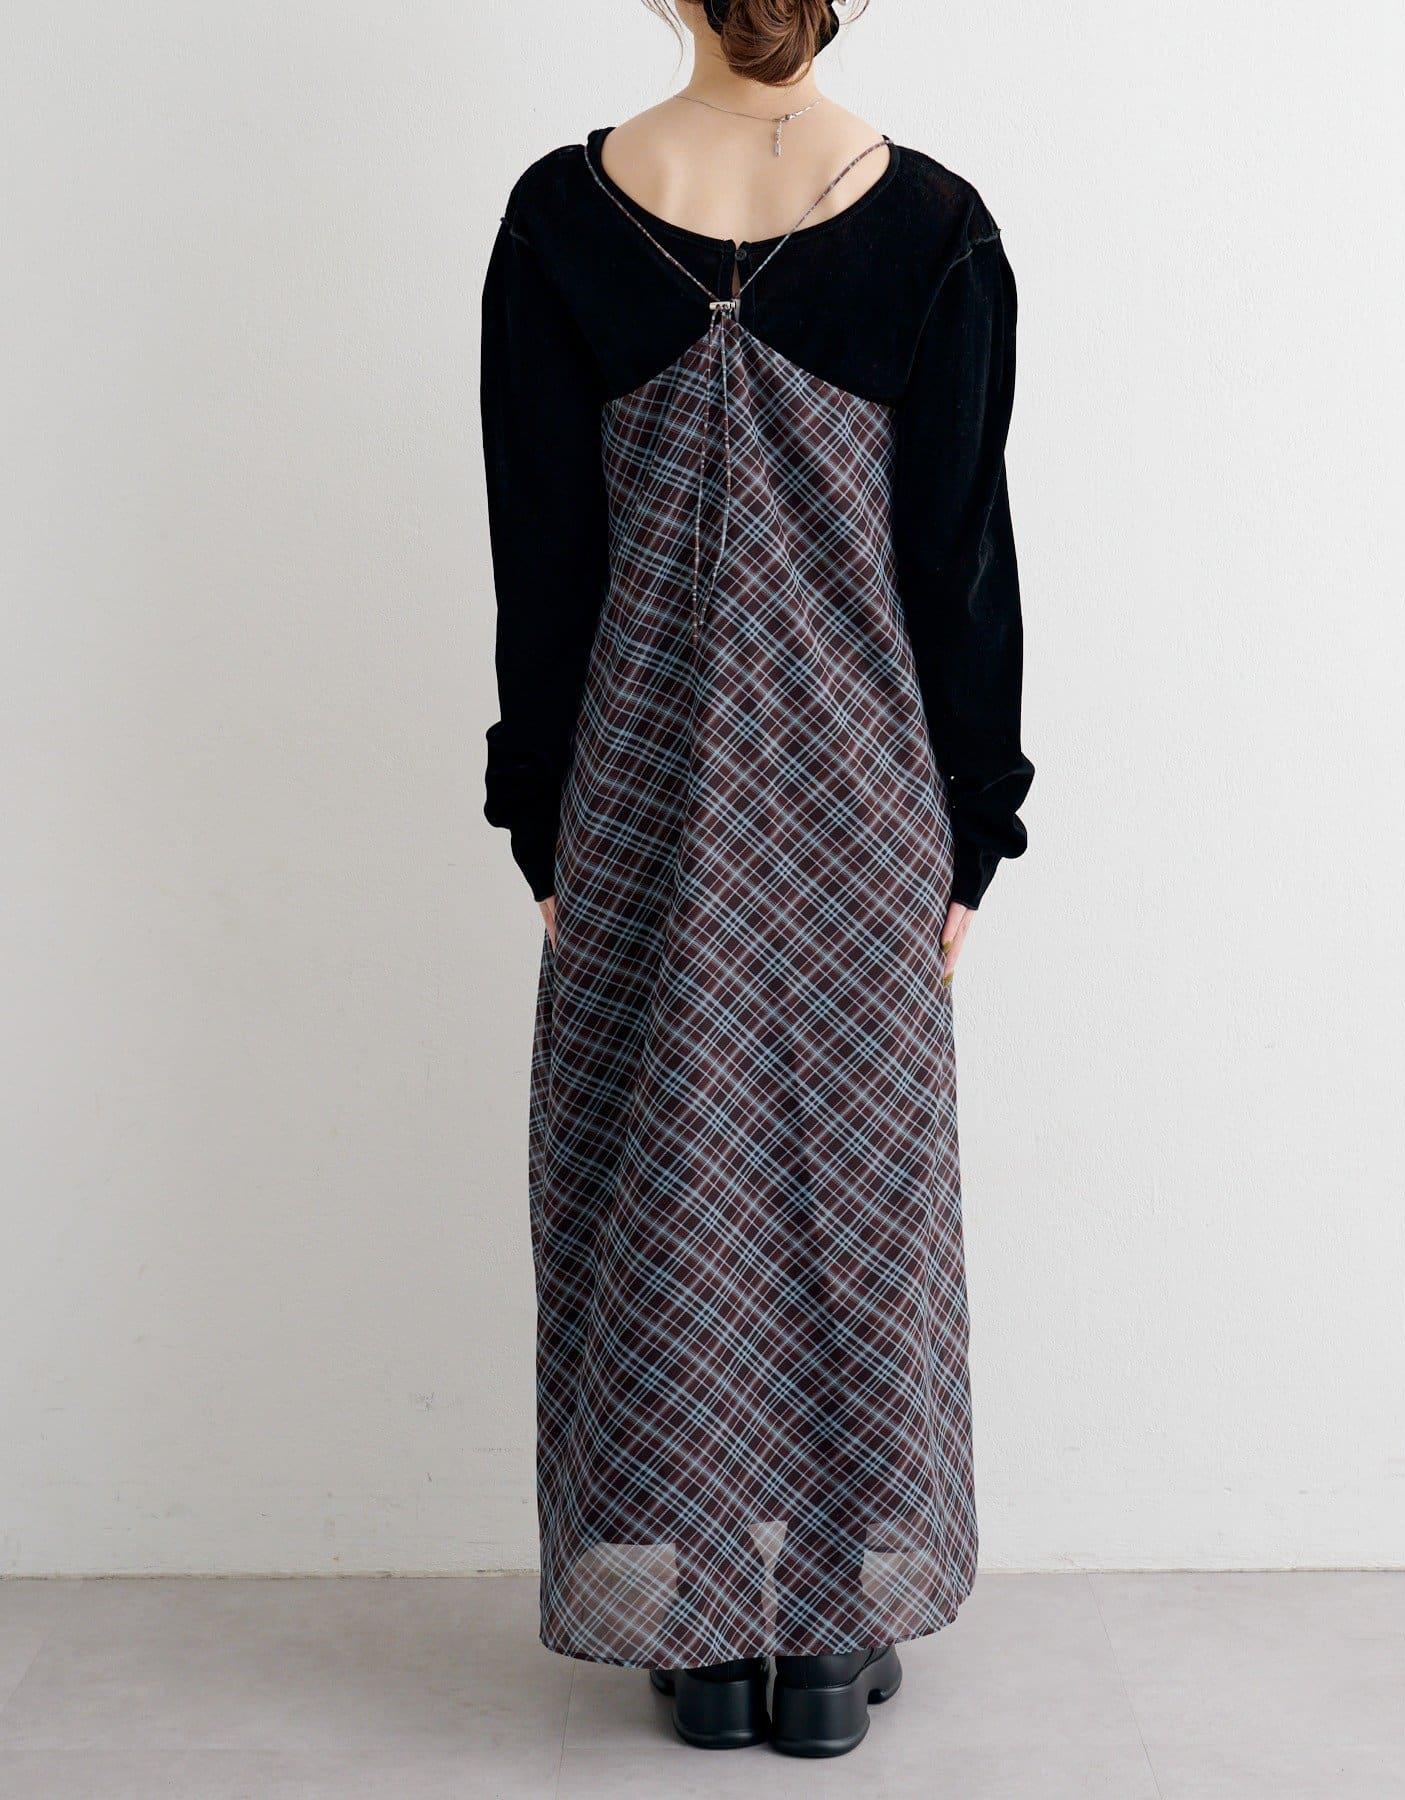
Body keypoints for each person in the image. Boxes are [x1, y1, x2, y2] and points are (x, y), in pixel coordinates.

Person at [480, 0, 1031, 1760]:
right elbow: (960, 563)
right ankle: (827, 1641)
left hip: (640, 796)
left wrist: (540, 815)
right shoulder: (936, 227)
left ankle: (704, 1634)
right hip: (865, 808)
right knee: (854, 1198)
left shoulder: (562, 219)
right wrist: (974, 822)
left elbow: (541, 557)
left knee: (662, 1179)